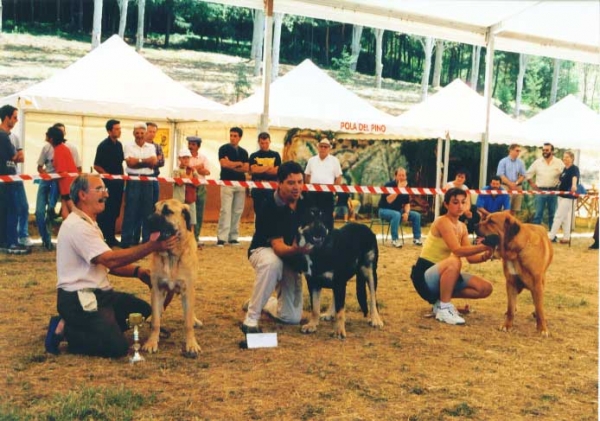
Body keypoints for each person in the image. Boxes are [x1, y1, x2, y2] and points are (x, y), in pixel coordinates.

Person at [44, 174, 177, 357]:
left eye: (104, 189)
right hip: (79, 299)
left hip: (101, 295)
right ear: (82, 195)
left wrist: (138, 272)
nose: (106, 194)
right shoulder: (78, 227)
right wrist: (152, 246)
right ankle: (68, 330)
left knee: (142, 310)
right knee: (117, 348)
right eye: (99, 189)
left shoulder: (89, 223)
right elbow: (110, 260)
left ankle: (95, 326)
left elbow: (106, 264)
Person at [241, 161, 311, 333]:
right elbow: (278, 248)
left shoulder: (305, 203)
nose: (297, 187)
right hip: (264, 250)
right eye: (291, 182)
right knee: (273, 263)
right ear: (279, 183)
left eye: (300, 182)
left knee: (291, 318)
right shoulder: (269, 206)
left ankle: (260, 301)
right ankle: (251, 319)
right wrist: (297, 250)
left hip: (291, 255)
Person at [410, 188, 494, 325]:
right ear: (446, 205)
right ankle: (444, 308)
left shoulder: (462, 227)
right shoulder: (442, 221)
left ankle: (441, 301)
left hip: (444, 273)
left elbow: (471, 259)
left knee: (485, 288)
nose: (460, 206)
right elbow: (458, 250)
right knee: (454, 260)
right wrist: (483, 246)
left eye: (463, 202)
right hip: (425, 275)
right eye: (455, 202)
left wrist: (487, 254)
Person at [121, 122, 157, 248]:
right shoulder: (128, 146)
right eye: (137, 133)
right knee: (131, 210)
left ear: (145, 133)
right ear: (133, 133)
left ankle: (146, 241)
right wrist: (145, 161)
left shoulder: (151, 147)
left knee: (148, 211)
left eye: (142, 133)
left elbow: (154, 162)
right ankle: (126, 240)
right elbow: (130, 164)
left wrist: (138, 161)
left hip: (148, 180)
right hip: (133, 180)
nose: (140, 135)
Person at [0, 104, 28, 255]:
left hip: (6, 179)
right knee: (12, 210)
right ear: (7, 118)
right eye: (15, 117)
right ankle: (11, 242)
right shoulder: (4, 137)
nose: (17, 120)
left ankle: (5, 241)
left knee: (5, 211)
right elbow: (15, 156)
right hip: (6, 180)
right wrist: (16, 156)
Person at [94, 119, 125, 247]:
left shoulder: (119, 145)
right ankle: (102, 237)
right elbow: (96, 165)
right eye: (116, 129)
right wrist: (107, 176)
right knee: (105, 210)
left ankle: (111, 237)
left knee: (115, 211)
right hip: (107, 184)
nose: (119, 131)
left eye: (119, 128)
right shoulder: (103, 146)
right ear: (109, 131)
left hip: (118, 183)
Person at [217, 127, 249, 247]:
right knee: (225, 210)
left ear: (240, 137)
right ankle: (222, 237)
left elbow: (246, 168)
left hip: (240, 183)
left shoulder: (244, 152)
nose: (232, 138)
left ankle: (233, 237)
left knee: (237, 210)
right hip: (227, 182)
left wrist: (232, 164)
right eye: (231, 135)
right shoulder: (223, 149)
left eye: (235, 136)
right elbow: (224, 164)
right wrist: (238, 164)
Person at [378, 167, 423, 248]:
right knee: (396, 215)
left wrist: (406, 213)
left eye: (403, 175)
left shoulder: (406, 188)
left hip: (398, 211)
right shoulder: (389, 185)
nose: (402, 177)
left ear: (406, 177)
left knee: (416, 215)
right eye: (399, 175)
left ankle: (417, 238)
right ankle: (394, 240)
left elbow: (407, 204)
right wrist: (398, 189)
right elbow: (389, 200)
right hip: (384, 210)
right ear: (395, 176)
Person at [304, 138, 342, 232]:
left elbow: (338, 177)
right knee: (312, 216)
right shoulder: (311, 160)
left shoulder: (334, 161)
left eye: (326, 147)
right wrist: (308, 189)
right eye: (321, 146)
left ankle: (329, 238)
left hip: (327, 194)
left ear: (329, 148)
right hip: (313, 194)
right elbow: (307, 175)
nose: (323, 148)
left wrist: (334, 191)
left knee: (328, 217)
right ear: (318, 147)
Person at [525, 143, 564, 228]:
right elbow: (528, 174)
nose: (544, 152)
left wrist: (560, 182)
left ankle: (552, 236)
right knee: (538, 215)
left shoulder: (559, 162)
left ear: (552, 151)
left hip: (553, 191)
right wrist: (532, 184)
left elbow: (565, 175)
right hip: (540, 191)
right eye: (543, 150)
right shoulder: (537, 162)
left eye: (547, 150)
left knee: (552, 215)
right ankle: (536, 236)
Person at [548, 151, 580, 244]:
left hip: (568, 196)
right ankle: (566, 237)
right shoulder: (565, 169)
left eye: (567, 157)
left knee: (558, 216)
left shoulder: (574, 168)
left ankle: (551, 236)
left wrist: (574, 185)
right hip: (561, 196)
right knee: (565, 217)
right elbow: (562, 180)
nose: (565, 159)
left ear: (572, 158)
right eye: (564, 157)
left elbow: (575, 177)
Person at [48, 126, 77, 220]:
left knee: (73, 212)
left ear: (51, 139)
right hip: (67, 185)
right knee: (66, 211)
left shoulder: (59, 150)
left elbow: (61, 171)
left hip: (67, 185)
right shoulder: (62, 148)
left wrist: (49, 177)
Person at [249, 132, 281, 215]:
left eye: (266, 143)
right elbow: (253, 170)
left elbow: (277, 171)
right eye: (262, 143)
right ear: (258, 142)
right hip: (257, 187)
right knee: (258, 212)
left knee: (272, 212)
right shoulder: (253, 155)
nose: (264, 145)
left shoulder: (276, 155)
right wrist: (268, 167)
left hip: (272, 188)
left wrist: (260, 168)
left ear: (270, 142)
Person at [187, 136, 211, 246]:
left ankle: (196, 237)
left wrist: (193, 168)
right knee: (188, 212)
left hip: (201, 186)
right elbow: (186, 170)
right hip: (188, 186)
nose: (190, 146)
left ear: (198, 146)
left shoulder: (204, 157)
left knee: (199, 212)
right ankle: (187, 237)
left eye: (193, 144)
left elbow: (207, 172)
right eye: (190, 144)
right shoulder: (185, 156)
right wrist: (198, 167)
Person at [172, 147, 199, 238]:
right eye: (184, 158)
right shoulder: (176, 170)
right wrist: (189, 179)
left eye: (187, 157)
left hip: (190, 199)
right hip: (179, 200)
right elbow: (179, 182)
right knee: (178, 220)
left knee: (191, 221)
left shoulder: (193, 170)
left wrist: (186, 178)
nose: (186, 160)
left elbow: (196, 183)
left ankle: (191, 239)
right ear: (179, 159)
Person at [444, 168, 480, 234]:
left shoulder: (465, 188)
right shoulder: (449, 185)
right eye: (458, 176)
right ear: (456, 176)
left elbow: (468, 201)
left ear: (465, 179)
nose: (460, 179)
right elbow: (450, 200)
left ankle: (470, 232)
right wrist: (462, 210)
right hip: (452, 206)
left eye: (462, 177)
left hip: (462, 207)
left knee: (475, 212)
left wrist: (466, 210)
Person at [496, 144, 527, 215]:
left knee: (515, 209)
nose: (518, 152)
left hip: (517, 186)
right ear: (511, 150)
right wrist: (510, 184)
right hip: (505, 186)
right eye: (517, 151)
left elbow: (523, 175)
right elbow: (500, 175)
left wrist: (516, 183)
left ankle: (512, 225)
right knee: (505, 208)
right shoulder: (503, 161)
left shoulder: (521, 162)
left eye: (519, 151)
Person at [145, 122, 164, 205]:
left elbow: (162, 162)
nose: (152, 134)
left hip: (154, 177)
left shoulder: (157, 147)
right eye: (150, 131)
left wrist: (150, 162)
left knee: (154, 201)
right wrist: (154, 159)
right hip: (141, 178)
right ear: (145, 131)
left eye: (154, 132)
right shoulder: (140, 146)